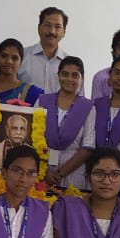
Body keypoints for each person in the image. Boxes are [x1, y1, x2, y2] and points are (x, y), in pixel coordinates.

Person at [58, 54, 120, 195]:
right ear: (109, 76)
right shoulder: (97, 105)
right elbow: (89, 142)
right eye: (116, 73)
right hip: (97, 177)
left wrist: (118, 176)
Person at [40, 56, 93, 189]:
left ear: (82, 78)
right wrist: (44, 172)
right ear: (58, 76)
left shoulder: (89, 107)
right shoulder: (42, 101)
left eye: (75, 75)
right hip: (42, 173)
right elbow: (33, 139)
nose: (69, 79)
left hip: (73, 174)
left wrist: (60, 174)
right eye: (65, 74)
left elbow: (88, 147)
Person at [19, 6, 69, 94]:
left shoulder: (70, 64)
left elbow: (78, 98)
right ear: (39, 28)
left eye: (57, 27)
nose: (52, 31)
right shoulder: (21, 56)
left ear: (64, 32)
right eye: (47, 25)